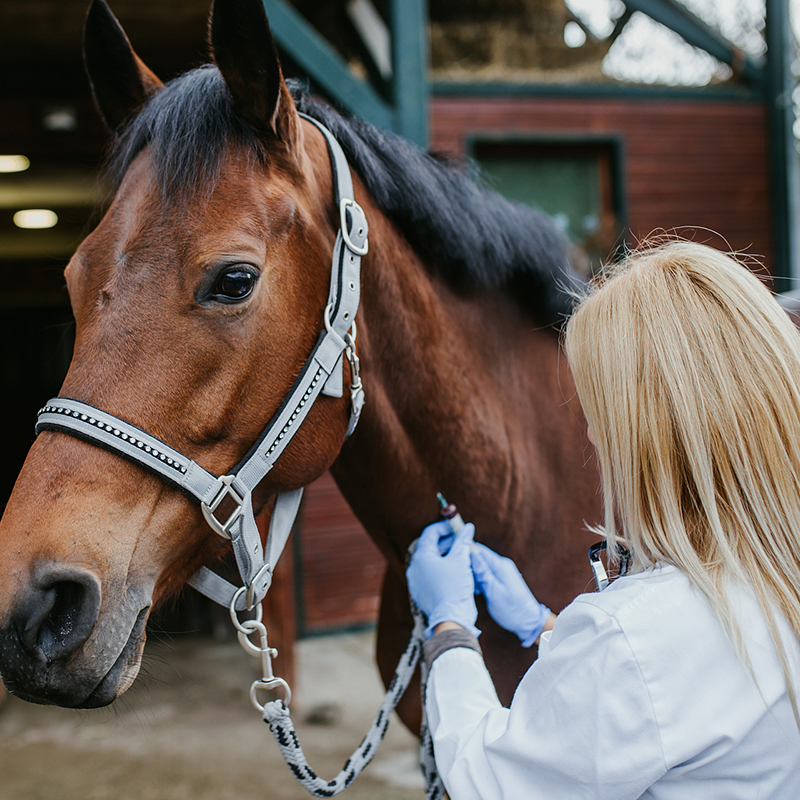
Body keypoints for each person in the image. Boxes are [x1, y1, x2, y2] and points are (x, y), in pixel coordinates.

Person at [407, 241, 800, 799]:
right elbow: (666, 710)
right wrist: (545, 627)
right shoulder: (773, 575)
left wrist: (449, 628)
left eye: (597, 415)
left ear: (647, 437)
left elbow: (483, 779)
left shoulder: (634, 637)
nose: (590, 436)